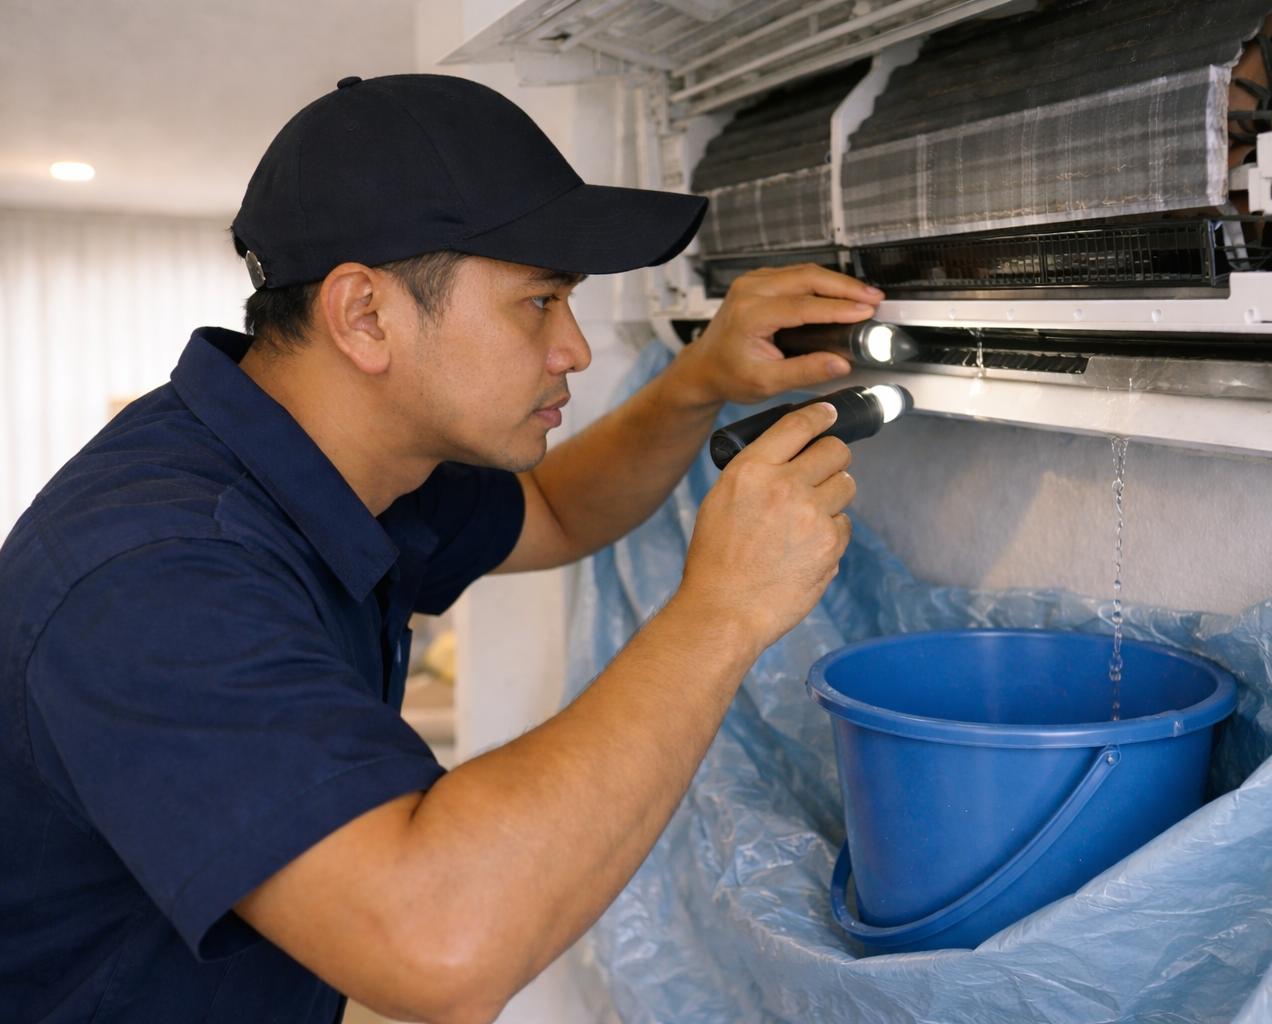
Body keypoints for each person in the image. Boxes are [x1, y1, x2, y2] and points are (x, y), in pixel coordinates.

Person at [0, 73, 884, 1024]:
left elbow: (550, 509)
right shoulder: (154, 576)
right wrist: (724, 611)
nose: (576, 349)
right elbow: (438, 943)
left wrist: (697, 380)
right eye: (538, 303)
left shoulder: (327, 463)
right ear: (364, 316)